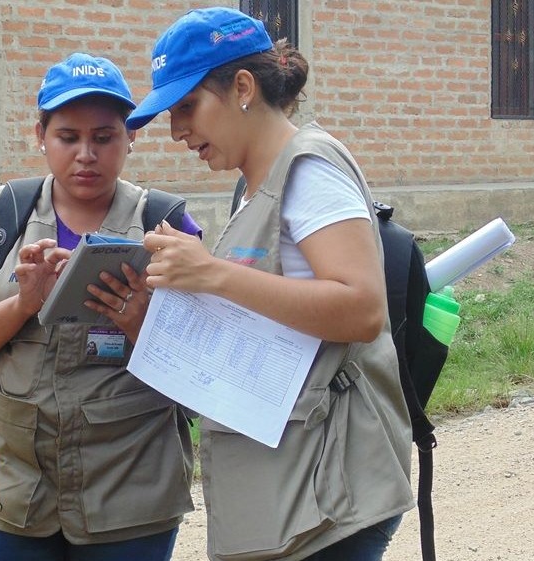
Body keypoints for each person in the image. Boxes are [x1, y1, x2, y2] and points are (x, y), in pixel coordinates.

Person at [125, 7, 414, 561]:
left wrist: (212, 272)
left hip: (330, 500)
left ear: (242, 87)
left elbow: (362, 307)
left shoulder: (310, 167)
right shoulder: (253, 187)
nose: (177, 131)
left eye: (187, 107)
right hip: (289, 495)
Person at [0, 52, 202, 561]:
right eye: (68, 136)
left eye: (104, 137)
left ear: (130, 138)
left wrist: (140, 325)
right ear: (39, 135)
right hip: (12, 492)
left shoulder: (166, 223)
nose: (86, 154)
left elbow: (205, 369)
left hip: (132, 493)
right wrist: (24, 304)